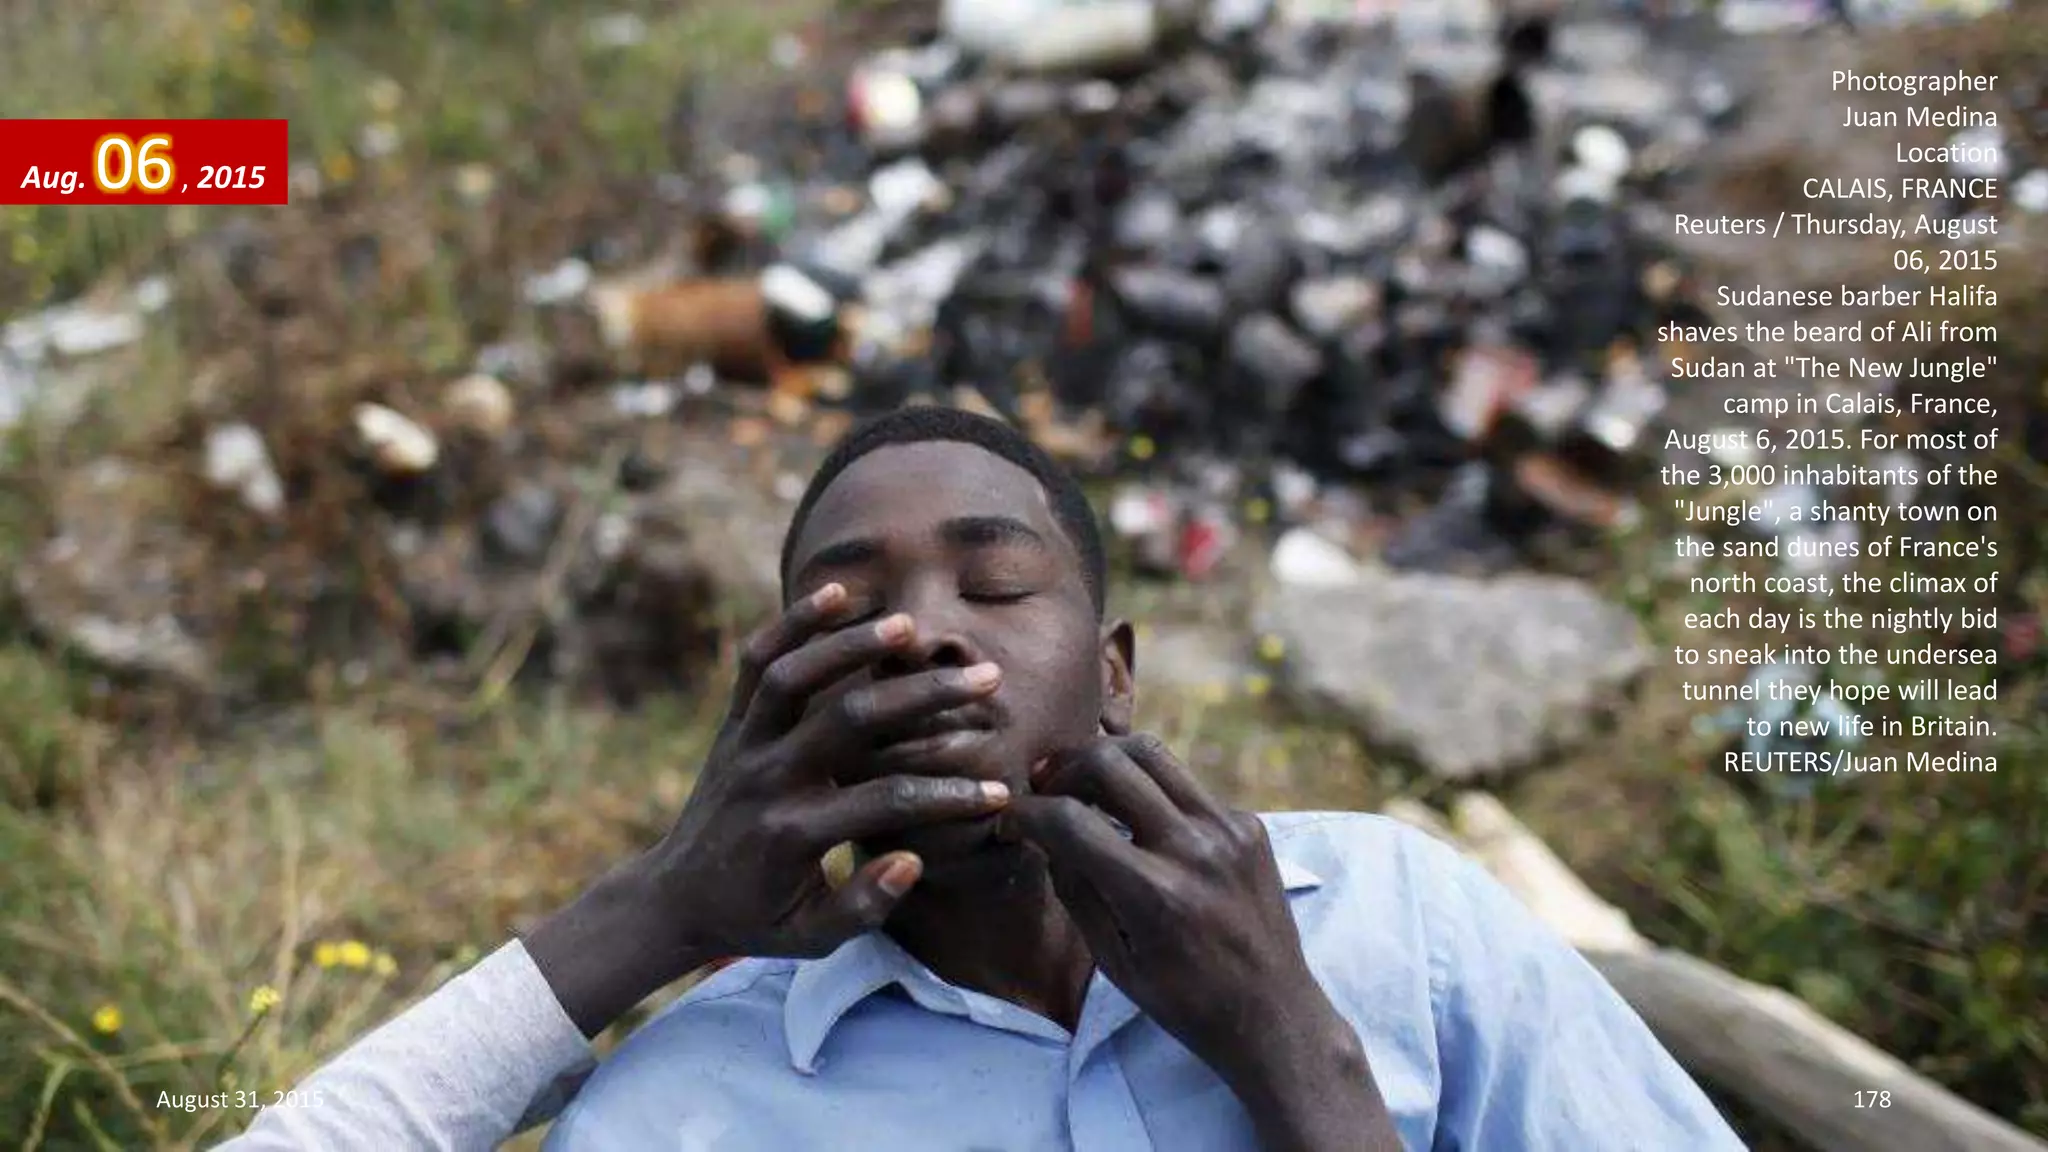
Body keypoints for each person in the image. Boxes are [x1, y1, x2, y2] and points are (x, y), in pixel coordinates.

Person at [220, 407, 1742, 1151]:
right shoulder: (698, 1104)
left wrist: (1297, 1055)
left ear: (1119, 671)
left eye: (997, 585)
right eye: (844, 606)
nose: (920, 634)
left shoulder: (1394, 924)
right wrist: (661, 910)